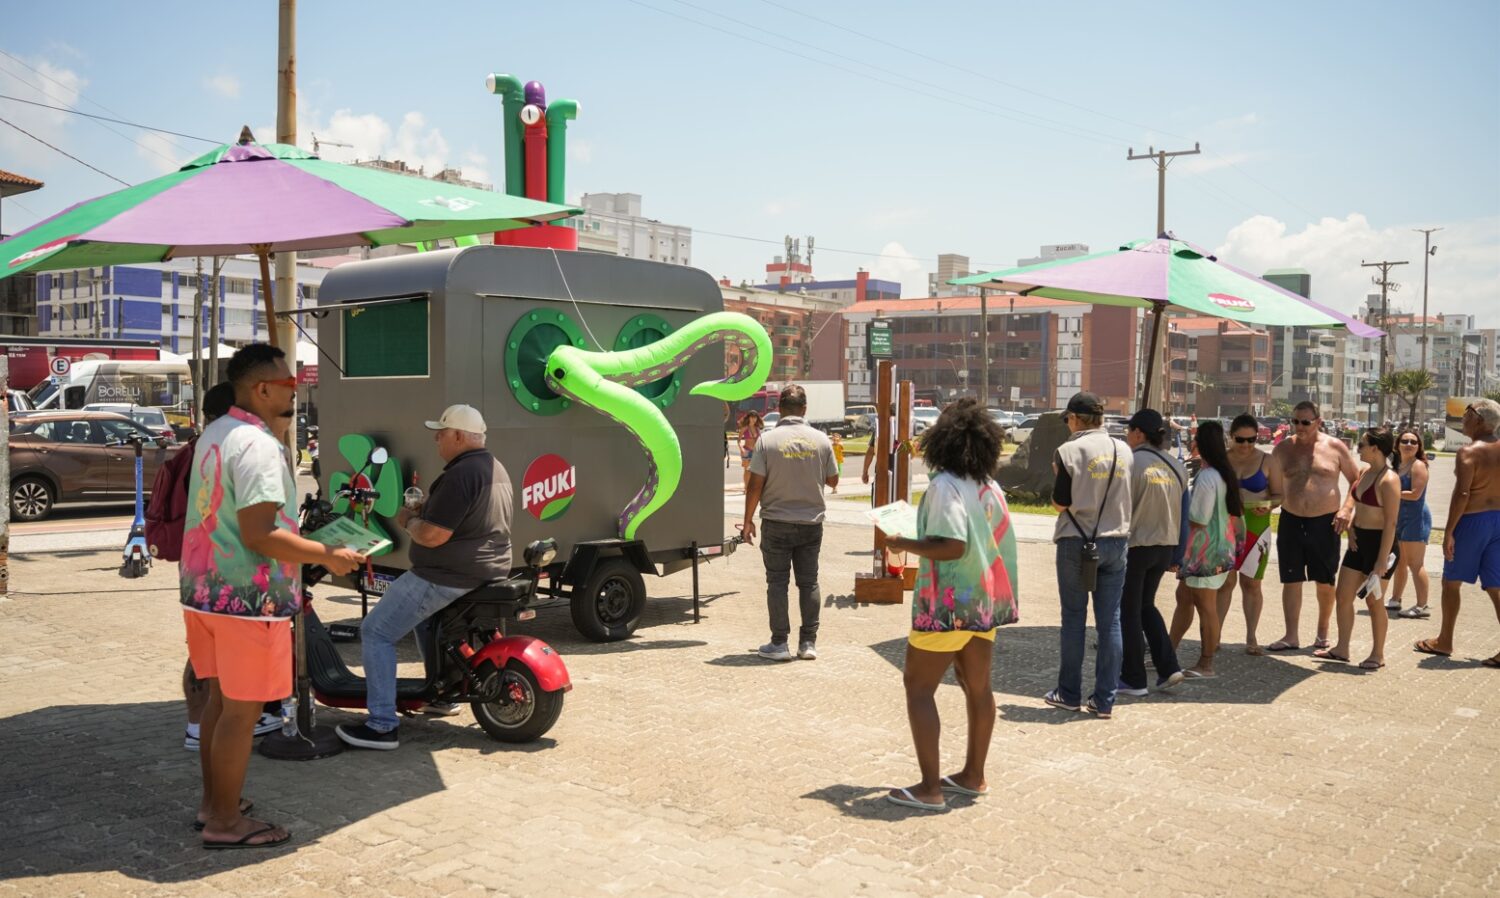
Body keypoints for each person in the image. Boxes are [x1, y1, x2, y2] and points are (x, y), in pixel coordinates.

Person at [181, 343, 364, 849]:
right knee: (241, 713)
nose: (297, 390)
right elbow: (261, 533)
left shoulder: (216, 433)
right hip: (248, 599)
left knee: (221, 704)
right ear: (262, 389)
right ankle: (223, 822)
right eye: (289, 384)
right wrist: (326, 553)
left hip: (205, 593)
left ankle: (214, 803)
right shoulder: (258, 446)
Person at [336, 404, 514, 751]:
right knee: (426, 623)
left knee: (376, 631)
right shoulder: (494, 468)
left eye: (442, 432)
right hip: (486, 568)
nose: (436, 438)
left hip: (447, 574)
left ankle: (382, 724)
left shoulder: (462, 474)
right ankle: (442, 695)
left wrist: (408, 521)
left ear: (459, 437)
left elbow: (433, 536)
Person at [882, 398, 1017, 811]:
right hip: (984, 600)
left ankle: (929, 789)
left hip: (947, 603)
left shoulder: (944, 485)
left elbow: (952, 546)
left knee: (919, 687)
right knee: (977, 687)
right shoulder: (988, 485)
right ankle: (973, 775)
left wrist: (900, 541)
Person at [166, 383, 283, 751]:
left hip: (199, 573)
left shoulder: (199, 450)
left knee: (209, 664)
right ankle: (204, 728)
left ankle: (199, 727)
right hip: (227, 576)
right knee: (226, 679)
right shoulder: (228, 451)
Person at [1046, 392, 1131, 718]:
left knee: (1074, 618)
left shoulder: (1068, 451)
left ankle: (1068, 693)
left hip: (1077, 541)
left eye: (1068, 419)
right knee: (1110, 622)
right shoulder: (1123, 449)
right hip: (1117, 540)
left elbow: (1060, 502)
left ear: (1076, 419)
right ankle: (1105, 699)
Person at [742, 386, 840, 662]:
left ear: (780, 408)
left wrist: (748, 520)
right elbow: (833, 480)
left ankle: (779, 643)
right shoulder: (822, 441)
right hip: (811, 523)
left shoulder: (767, 441)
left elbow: (755, 485)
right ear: (805, 409)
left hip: (776, 522)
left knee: (777, 583)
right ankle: (808, 643)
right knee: (808, 583)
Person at [1267, 401, 1359, 652]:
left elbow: (1356, 482)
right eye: (1295, 421)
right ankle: (1291, 635)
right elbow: (1270, 484)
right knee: (1291, 579)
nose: (1299, 427)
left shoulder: (1335, 446)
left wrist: (1347, 509)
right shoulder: (1283, 449)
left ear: (1318, 421)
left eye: (1305, 422)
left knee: (1325, 580)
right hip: (1291, 519)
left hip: (1326, 521)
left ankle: (1322, 633)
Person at [1415, 399, 1500, 667]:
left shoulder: (1468, 452)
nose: (1462, 419)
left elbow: (1462, 494)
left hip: (1472, 521)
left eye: (1466, 415)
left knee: (1451, 583)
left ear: (1478, 419)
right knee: (1496, 586)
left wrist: (1449, 531)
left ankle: (1445, 640)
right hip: (1498, 520)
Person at [1118, 409, 1187, 697]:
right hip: (1165, 545)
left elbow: (1118, 507)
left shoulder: (1131, 463)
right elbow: (1184, 514)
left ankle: (1133, 678)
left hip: (1137, 545)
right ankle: (1168, 667)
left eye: (1128, 430)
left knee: (1129, 611)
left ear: (1138, 433)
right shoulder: (1176, 466)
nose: (1126, 435)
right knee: (1146, 606)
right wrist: (1178, 554)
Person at [1318, 429, 1400, 669]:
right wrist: (1351, 528)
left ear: (1375, 448)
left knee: (1374, 602)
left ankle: (1378, 654)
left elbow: (1391, 522)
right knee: (1343, 596)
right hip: (1358, 541)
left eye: (1362, 444)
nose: (1359, 448)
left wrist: (1381, 560)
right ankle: (1342, 648)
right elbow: (1358, 504)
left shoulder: (1389, 479)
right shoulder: (1365, 472)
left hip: (1380, 545)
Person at [1169, 421, 1244, 678]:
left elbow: (1199, 517)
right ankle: (1166, 654)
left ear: (1200, 443)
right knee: (1184, 598)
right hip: (1218, 548)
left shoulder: (1208, 476)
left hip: (1205, 551)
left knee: (1206, 606)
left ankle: (1206, 663)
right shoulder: (1222, 472)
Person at [1216, 413, 1283, 656]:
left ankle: (1251, 636)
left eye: (1251, 440)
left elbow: (1279, 495)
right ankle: (1216, 635)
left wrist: (1268, 504)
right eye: (1240, 440)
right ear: (1230, 437)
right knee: (1225, 582)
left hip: (1257, 527)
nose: (1245, 445)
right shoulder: (1221, 460)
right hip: (1226, 527)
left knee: (1252, 584)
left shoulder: (1267, 460)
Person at [1388, 427, 1433, 618]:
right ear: (1397, 445)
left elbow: (1415, 494)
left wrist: (1388, 493)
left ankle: (1421, 606)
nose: (1409, 444)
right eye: (1405, 441)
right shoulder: (1398, 466)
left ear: (1419, 446)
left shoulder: (1418, 466)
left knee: (1416, 564)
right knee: (1400, 562)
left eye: (1413, 442)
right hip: (1400, 518)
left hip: (1415, 519)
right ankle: (1395, 599)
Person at [737, 410, 764, 492]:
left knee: (755, 471)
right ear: (748, 418)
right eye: (752, 417)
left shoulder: (757, 428)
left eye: (755, 417)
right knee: (747, 471)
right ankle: (746, 488)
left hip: (756, 452)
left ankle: (752, 487)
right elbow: (738, 441)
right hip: (747, 451)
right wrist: (741, 449)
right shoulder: (745, 428)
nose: (753, 419)